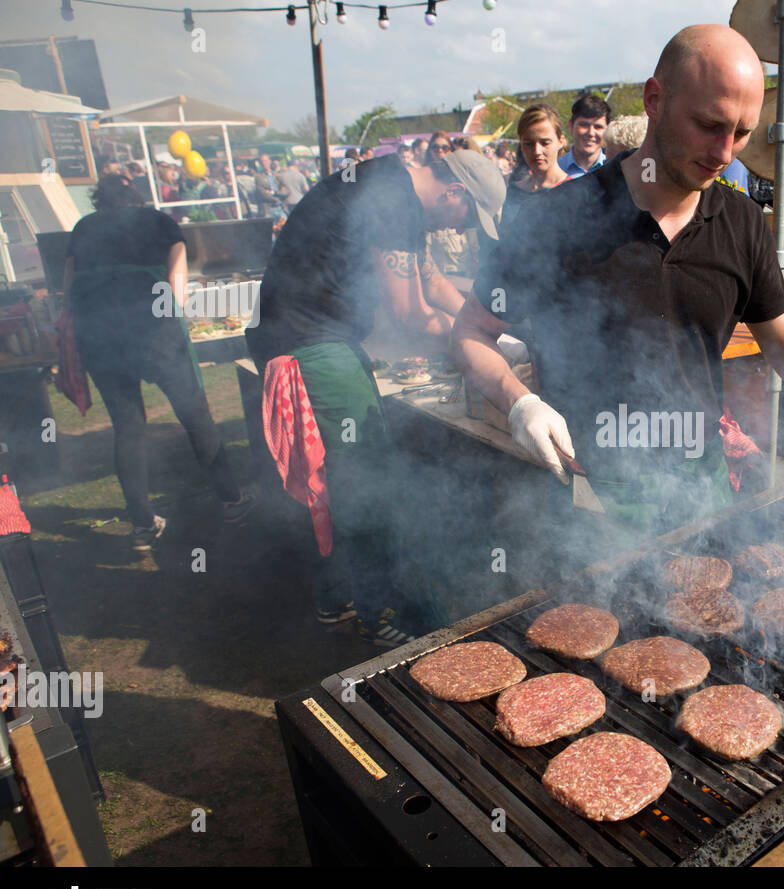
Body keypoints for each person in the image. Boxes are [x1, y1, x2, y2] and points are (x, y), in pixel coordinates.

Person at [451, 24, 784, 533]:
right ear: (655, 99)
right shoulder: (557, 219)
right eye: (708, 125)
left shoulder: (740, 222)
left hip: (702, 482)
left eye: (741, 132)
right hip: (592, 485)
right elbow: (471, 332)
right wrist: (522, 405)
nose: (724, 152)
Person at [245, 149, 506, 644]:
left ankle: (335, 598)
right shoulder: (395, 200)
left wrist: (493, 332)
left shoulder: (390, 183)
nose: (460, 229)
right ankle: (384, 612)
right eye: (468, 216)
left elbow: (430, 283)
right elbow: (411, 314)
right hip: (309, 344)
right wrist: (480, 352)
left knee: (339, 477)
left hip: (304, 336)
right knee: (369, 480)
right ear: (455, 193)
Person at [61, 175, 253, 551]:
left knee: (128, 427)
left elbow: (68, 287)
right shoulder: (159, 221)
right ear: (136, 198)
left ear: (99, 202)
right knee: (194, 414)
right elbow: (177, 282)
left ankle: (143, 526)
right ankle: (232, 501)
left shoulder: (84, 227)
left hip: (99, 336)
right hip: (154, 330)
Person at [500, 104, 570, 230]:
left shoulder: (572, 191)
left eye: (545, 143)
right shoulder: (514, 191)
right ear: (521, 145)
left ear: (560, 141)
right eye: (529, 144)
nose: (537, 151)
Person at [559, 93, 611, 179]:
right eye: (584, 125)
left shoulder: (614, 170)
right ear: (571, 126)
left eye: (598, 127)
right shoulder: (557, 169)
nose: (591, 133)